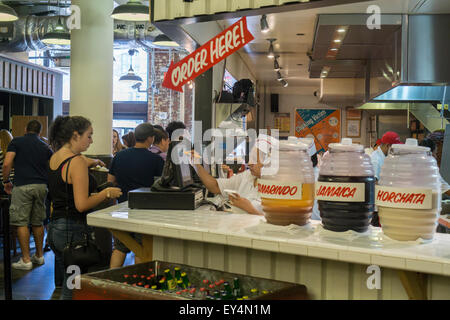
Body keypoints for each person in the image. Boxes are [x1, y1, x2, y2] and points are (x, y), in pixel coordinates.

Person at [47, 116, 122, 300]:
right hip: (73, 231)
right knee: (73, 286)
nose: (91, 140)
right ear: (75, 135)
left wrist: (93, 161)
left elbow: (75, 165)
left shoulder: (56, 157)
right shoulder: (77, 162)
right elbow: (81, 205)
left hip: (56, 228)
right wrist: (106, 193)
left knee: (69, 280)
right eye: (89, 136)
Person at [108, 123, 165, 268]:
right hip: (145, 211)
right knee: (140, 249)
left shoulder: (119, 156)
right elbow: (161, 186)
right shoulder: (156, 160)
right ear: (150, 138)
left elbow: (110, 181)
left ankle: (109, 280)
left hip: (122, 208)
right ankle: (137, 285)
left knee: (120, 247)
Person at [2, 120, 53, 271]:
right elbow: (52, 166)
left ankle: (25, 259)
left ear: (25, 129)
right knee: (38, 221)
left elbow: (7, 163)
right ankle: (39, 256)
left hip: (22, 185)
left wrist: (6, 181)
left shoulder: (16, 141)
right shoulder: (45, 146)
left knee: (21, 222)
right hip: (41, 187)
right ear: (40, 132)